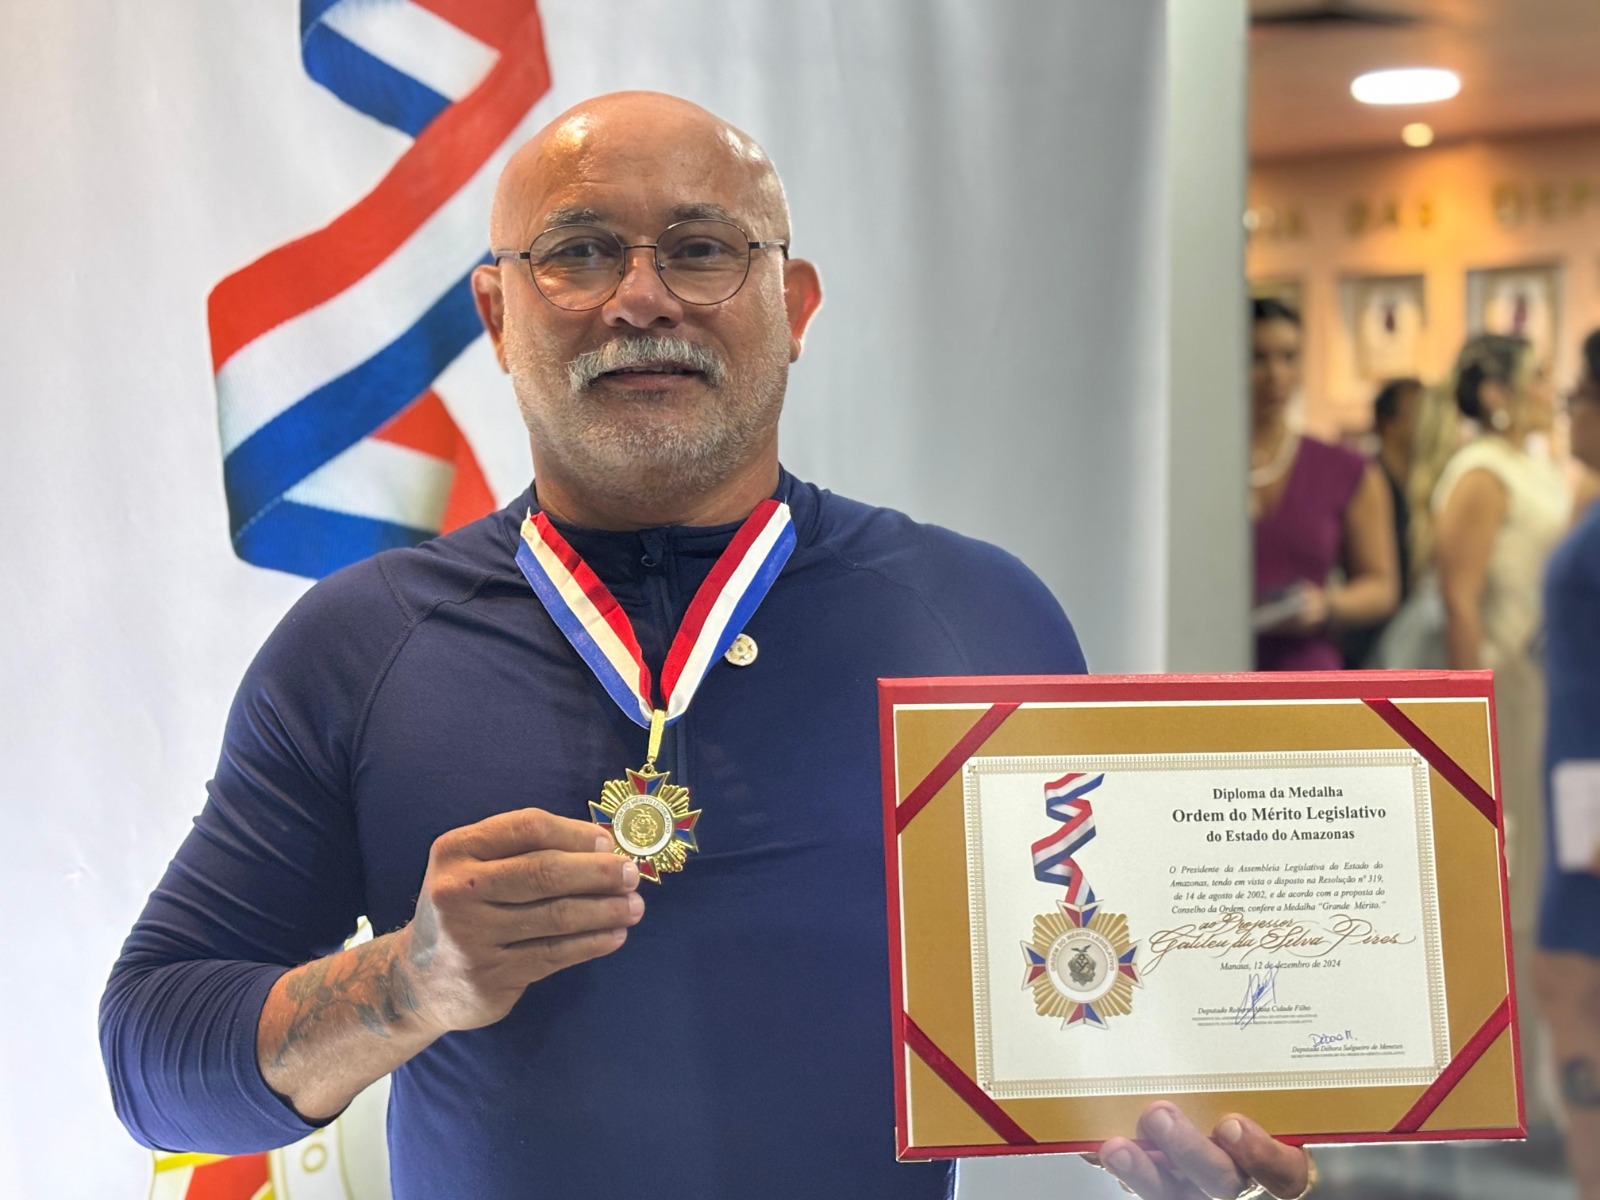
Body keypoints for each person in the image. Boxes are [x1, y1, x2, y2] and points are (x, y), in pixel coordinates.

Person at [99, 94, 1312, 1200]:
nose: (641, 297)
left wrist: (1200, 1123)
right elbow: (154, 1062)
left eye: (700, 248)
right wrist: (409, 986)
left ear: (796, 307)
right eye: (575, 252)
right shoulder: (360, 646)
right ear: (495, 313)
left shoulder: (979, 620)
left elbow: (1130, 1010)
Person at [1432, 332, 1567, 1122]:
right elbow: (1460, 597)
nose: (1550, 390)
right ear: (1497, 392)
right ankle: (1503, 1073)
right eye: (1538, 377)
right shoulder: (1480, 474)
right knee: (1507, 870)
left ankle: (1541, 1068)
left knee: (1539, 867)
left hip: (1540, 690)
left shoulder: (1532, 467)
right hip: (1505, 697)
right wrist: (1468, 713)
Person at [1249, 299, 1399, 670]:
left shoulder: (1344, 468)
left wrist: (1326, 604)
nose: (1275, 374)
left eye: (1288, 357)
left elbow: (1381, 586)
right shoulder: (1200, 471)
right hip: (1210, 671)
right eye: (1257, 357)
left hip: (1305, 675)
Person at [1536, 329, 1600, 1200]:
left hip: (1593, 805)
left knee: (1572, 1000)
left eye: (1583, 388)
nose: (1571, 404)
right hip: (1579, 795)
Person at [1341, 377, 1423, 668]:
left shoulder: (1419, 488)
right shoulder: (1368, 484)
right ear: (1390, 424)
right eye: (1419, 414)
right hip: (1368, 644)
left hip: (1407, 640)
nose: (1430, 425)